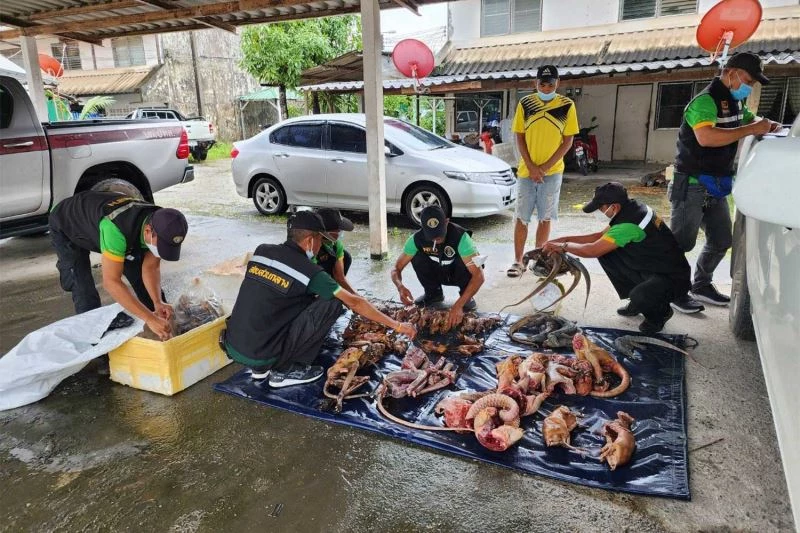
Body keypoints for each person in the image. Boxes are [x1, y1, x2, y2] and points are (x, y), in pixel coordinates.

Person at [223, 211, 416, 387]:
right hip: (265, 353)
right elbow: (354, 302)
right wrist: (397, 326)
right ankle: (286, 371)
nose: (321, 246)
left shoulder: (262, 251)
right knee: (332, 302)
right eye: (320, 240)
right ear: (309, 241)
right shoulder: (309, 271)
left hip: (234, 345)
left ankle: (260, 369)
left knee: (275, 302)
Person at [669, 52, 781, 314]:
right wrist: (752, 129)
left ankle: (701, 284)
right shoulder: (705, 101)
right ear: (731, 72)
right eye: (748, 80)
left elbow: (748, 120)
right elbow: (706, 137)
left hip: (717, 184)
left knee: (721, 240)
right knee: (680, 244)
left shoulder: (734, 102)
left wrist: (767, 124)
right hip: (693, 183)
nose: (749, 86)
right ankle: (673, 291)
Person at [542, 182, 691, 334]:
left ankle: (659, 314)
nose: (599, 211)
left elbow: (592, 250)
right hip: (655, 264)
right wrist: (560, 240)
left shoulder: (628, 224)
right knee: (607, 253)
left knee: (641, 295)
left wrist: (563, 246)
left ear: (614, 207)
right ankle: (639, 303)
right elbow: (598, 237)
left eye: (601, 208)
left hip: (673, 277)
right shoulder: (630, 208)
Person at [49, 190, 188, 340]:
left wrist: (157, 302)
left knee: (141, 281)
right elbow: (111, 282)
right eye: (161, 247)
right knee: (82, 286)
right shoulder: (116, 230)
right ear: (148, 231)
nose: (161, 251)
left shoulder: (163, 223)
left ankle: (161, 327)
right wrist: (150, 319)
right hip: (68, 222)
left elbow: (150, 267)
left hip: (107, 224)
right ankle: (95, 344)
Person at [507, 64, 579, 278]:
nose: (546, 88)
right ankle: (519, 261)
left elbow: (568, 140)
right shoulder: (526, 103)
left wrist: (545, 168)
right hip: (526, 172)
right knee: (522, 217)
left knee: (545, 218)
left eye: (550, 84)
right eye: (542, 84)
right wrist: (531, 166)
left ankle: (538, 261)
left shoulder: (567, 105)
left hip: (553, 172)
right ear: (535, 84)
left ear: (558, 84)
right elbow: (519, 135)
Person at [391, 206, 485, 330]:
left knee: (467, 263)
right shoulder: (416, 240)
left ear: (446, 222)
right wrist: (400, 286)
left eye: (439, 233)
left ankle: (466, 298)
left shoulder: (461, 238)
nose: (436, 238)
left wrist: (458, 306)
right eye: (432, 235)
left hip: (458, 273)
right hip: (438, 272)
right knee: (416, 255)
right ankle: (433, 293)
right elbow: (396, 269)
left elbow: (479, 276)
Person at [314, 208, 355, 294]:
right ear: (326, 232)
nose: (341, 232)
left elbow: (340, 277)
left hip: (327, 277)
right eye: (339, 230)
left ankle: (333, 293)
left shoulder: (336, 244)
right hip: (311, 279)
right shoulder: (312, 247)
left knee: (346, 257)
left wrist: (356, 296)